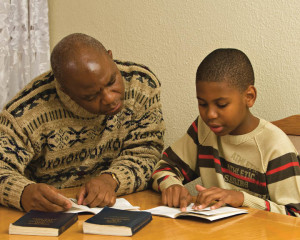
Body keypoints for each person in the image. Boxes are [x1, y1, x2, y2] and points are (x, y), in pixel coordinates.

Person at [0, 33, 165, 212]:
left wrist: (111, 179)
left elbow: (147, 154)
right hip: (53, 212)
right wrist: (23, 192)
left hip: (119, 207)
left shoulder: (141, 85)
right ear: (64, 89)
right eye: (91, 96)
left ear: (110, 57)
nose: (110, 98)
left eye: (112, 81)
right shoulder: (25, 112)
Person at [151, 48, 300, 217]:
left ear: (249, 97)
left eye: (221, 105)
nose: (210, 114)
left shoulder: (274, 145)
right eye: (203, 104)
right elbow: (163, 168)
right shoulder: (203, 129)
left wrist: (242, 199)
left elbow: (295, 217)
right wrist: (171, 186)